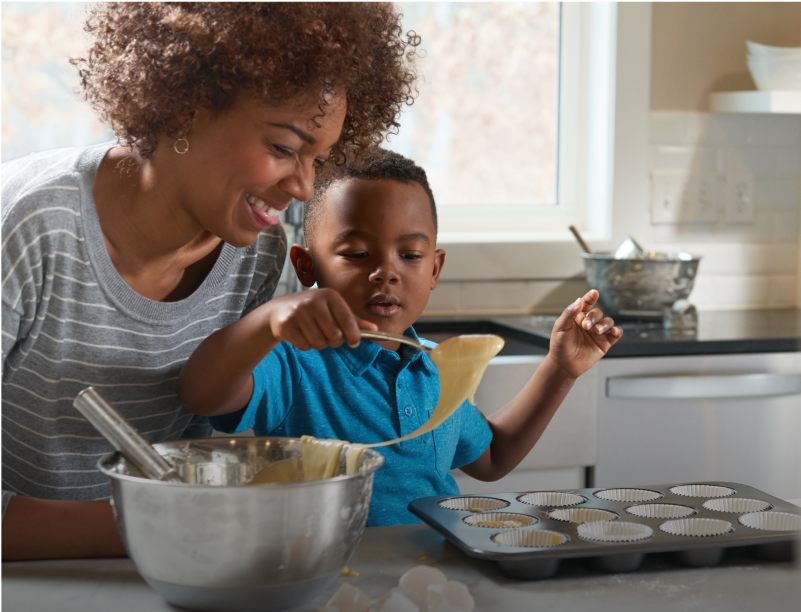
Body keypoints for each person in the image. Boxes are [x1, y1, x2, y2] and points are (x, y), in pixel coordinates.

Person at [1, 2, 419, 560]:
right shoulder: (28, 227)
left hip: (164, 574)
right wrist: (160, 527)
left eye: (318, 159)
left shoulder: (253, 251)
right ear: (184, 105)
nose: (302, 187)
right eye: (284, 148)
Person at [179, 150, 623, 526]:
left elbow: (492, 459)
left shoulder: (437, 367)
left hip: (433, 579)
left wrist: (560, 370)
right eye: (356, 254)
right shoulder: (292, 362)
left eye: (410, 255)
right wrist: (268, 319)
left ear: (434, 269)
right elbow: (202, 393)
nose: (386, 271)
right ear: (306, 265)